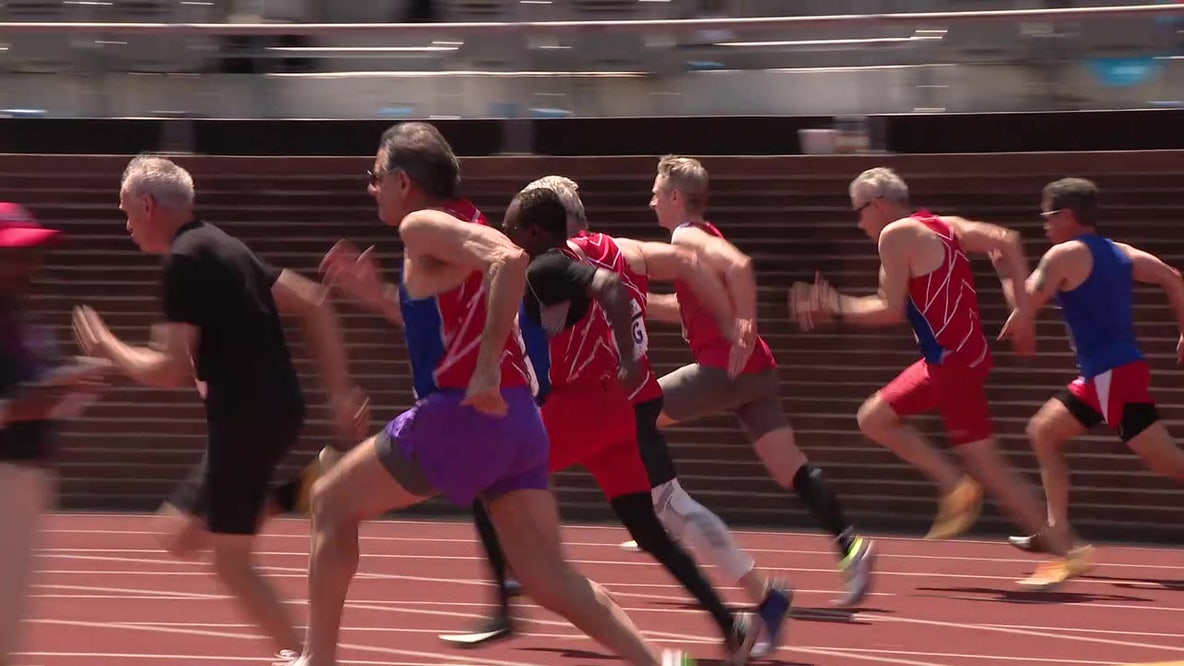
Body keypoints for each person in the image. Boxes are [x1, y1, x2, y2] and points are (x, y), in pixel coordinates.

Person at [292, 121, 696, 666]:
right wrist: (378, 296)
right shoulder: (465, 221)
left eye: (376, 175)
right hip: (519, 424)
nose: (372, 187)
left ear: (405, 182)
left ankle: (316, 659)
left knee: (330, 501)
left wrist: (483, 372)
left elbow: (509, 260)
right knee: (550, 579)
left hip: (465, 414)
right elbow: (465, 311)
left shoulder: (420, 224)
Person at [444, 186, 761, 663]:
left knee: (484, 477)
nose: (505, 236)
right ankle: (730, 622)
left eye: (510, 228)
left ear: (533, 231)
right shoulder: (546, 265)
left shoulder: (545, 266)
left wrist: (631, 358)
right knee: (649, 530)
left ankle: (503, 606)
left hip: (579, 409)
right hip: (613, 412)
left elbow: (610, 287)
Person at [70, 155, 369, 660]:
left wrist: (109, 348)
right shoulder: (225, 245)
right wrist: (340, 391)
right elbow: (316, 300)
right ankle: (300, 490)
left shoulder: (185, 261)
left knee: (231, 562)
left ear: (148, 205)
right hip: (269, 412)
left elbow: (170, 370)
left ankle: (307, 656)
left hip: (246, 419)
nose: (126, 225)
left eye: (126, 213)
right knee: (180, 533)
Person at [789, 166, 1092, 590]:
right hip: (952, 359)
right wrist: (1022, 312)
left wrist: (834, 304)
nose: (858, 222)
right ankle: (958, 486)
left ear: (877, 205)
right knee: (875, 418)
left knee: (988, 464)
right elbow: (1007, 240)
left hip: (952, 364)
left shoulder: (894, 236)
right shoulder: (944, 225)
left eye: (858, 212)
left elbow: (889, 310)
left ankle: (1066, 549)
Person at [529, 175, 793, 657]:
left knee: (668, 506)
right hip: (637, 391)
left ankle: (760, 596)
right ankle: (755, 601)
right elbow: (691, 263)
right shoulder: (625, 250)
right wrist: (729, 319)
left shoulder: (561, 260)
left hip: (604, 398)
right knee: (664, 509)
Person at [645, 155, 874, 607]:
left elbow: (741, 266)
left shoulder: (686, 235)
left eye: (655, 193)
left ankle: (663, 517)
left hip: (723, 368)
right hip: (755, 373)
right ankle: (851, 545)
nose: (650, 201)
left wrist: (745, 325)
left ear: (675, 198)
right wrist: (634, 299)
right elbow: (690, 306)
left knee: (634, 415)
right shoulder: (702, 237)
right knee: (791, 468)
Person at [1002, 177, 1184, 559]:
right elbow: (1173, 278)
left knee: (1167, 462)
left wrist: (1005, 268)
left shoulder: (1064, 254)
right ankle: (1056, 531)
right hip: (1104, 374)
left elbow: (1025, 307)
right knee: (1043, 432)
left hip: (1111, 375)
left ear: (1067, 216)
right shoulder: (1122, 252)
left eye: (1047, 217)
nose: (1045, 226)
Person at [0, 204, 113, 665]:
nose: (28, 265)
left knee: (8, 624)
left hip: (27, 484)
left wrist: (76, 385)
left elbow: (46, 399)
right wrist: (36, 399)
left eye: (32, 254)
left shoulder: (29, 329)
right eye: (15, 255)